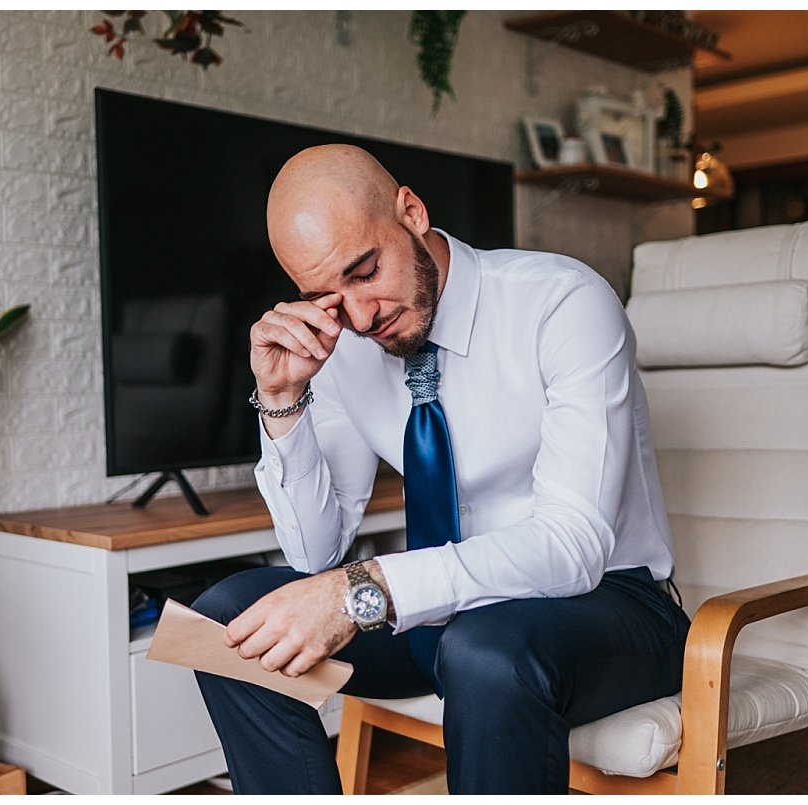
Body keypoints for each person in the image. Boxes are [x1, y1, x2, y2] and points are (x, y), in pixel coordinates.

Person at [191, 144, 690, 794]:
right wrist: (283, 404)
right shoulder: (346, 347)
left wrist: (361, 591)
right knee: (228, 620)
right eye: (329, 297)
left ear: (412, 211)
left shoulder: (563, 304)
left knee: (484, 648)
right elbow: (316, 551)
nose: (362, 315)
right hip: (447, 618)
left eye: (366, 270)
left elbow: (575, 545)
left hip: (610, 604)